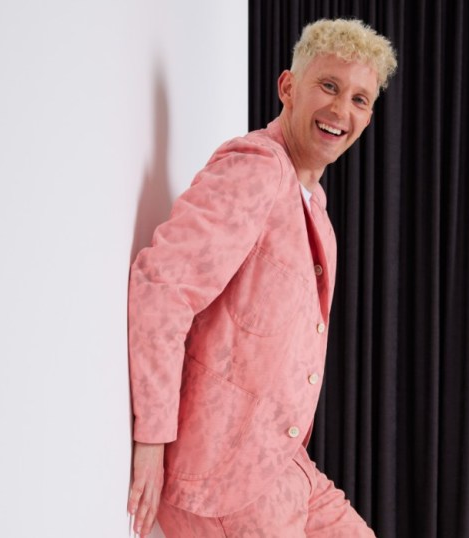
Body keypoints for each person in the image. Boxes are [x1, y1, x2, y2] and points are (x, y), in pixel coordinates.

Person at [126, 18, 397, 537]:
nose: (341, 110)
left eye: (360, 99)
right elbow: (163, 286)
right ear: (288, 87)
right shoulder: (256, 168)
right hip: (223, 481)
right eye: (329, 86)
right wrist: (151, 437)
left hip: (284, 465)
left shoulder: (315, 209)